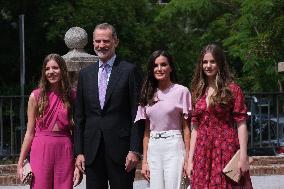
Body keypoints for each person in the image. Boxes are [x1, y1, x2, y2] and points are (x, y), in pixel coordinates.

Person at [74, 23, 143, 189]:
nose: (101, 45)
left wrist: (134, 149)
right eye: (97, 41)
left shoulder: (129, 71)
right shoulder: (85, 74)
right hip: (92, 150)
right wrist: (79, 152)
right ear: (92, 43)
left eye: (106, 41)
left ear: (115, 42)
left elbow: (137, 113)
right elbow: (80, 117)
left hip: (121, 150)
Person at [187, 44, 253, 188]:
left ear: (220, 63)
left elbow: (241, 124)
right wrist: (190, 160)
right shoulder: (197, 91)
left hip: (225, 147)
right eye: (205, 62)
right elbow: (195, 128)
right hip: (202, 150)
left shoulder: (232, 89)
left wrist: (243, 155)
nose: (208, 65)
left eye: (212, 61)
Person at [17, 54, 81, 189]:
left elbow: (77, 131)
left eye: (55, 68)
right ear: (44, 72)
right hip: (41, 149)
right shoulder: (35, 96)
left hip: (65, 149)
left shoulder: (73, 96)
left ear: (62, 70)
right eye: (47, 69)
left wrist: (78, 163)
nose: (51, 72)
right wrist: (20, 162)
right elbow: (29, 132)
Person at [135, 50, 191, 189]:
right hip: (154, 147)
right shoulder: (147, 93)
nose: (159, 69)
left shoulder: (182, 91)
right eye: (155, 65)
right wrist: (145, 161)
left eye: (163, 64)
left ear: (170, 67)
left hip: (174, 146)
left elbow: (187, 129)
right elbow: (147, 131)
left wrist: (188, 160)